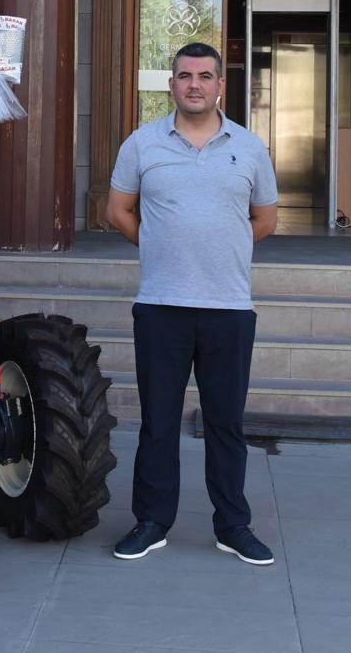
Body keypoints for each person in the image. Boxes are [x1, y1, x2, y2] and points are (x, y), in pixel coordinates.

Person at [106, 42, 279, 566]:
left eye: (205, 75)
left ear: (221, 85)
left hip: (228, 307)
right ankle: (152, 521)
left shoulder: (249, 148)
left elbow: (265, 220)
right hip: (161, 305)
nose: (195, 84)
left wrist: (217, 249)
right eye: (185, 76)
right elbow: (119, 211)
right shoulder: (141, 144)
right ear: (172, 85)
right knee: (159, 421)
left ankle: (233, 526)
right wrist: (162, 245)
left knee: (226, 423)